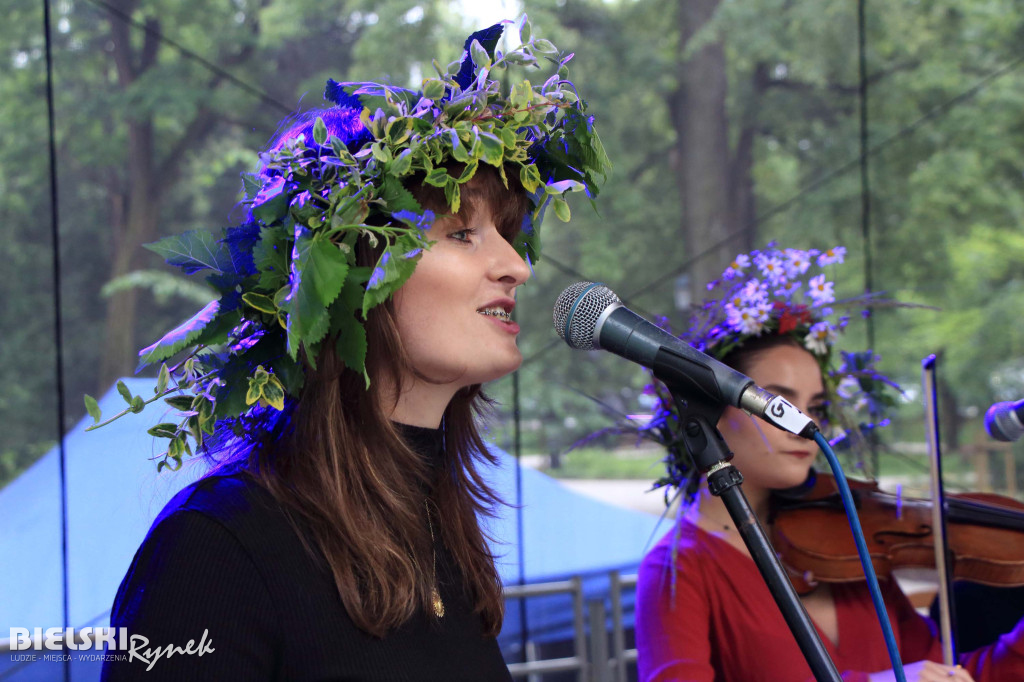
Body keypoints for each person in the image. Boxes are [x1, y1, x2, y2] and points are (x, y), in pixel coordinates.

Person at [96, 19, 609, 681]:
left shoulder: (439, 526)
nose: (518, 267)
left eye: (508, 236)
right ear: (352, 277)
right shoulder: (219, 545)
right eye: (462, 234)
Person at [633, 245, 1024, 682]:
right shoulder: (678, 569)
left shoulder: (849, 541)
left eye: (815, 406)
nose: (804, 424)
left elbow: (949, 675)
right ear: (712, 409)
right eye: (778, 403)